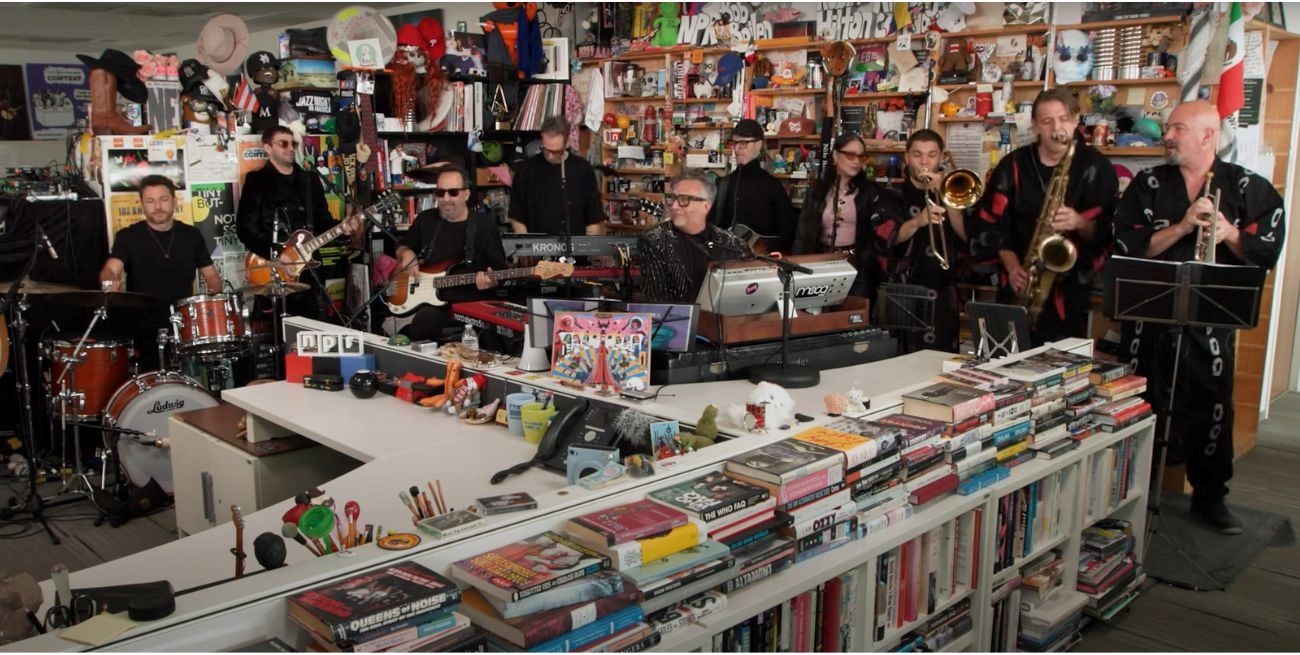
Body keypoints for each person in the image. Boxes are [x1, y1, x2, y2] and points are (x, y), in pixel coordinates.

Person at [1114, 101, 1286, 535]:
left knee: (1211, 404)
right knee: (1140, 400)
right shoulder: (1148, 183)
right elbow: (1127, 246)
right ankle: (1128, 490)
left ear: (1208, 135)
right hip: (1149, 318)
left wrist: (1228, 233)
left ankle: (1210, 496)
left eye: (1178, 128)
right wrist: (1183, 226)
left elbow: (1266, 251)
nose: (1167, 135)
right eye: (1168, 126)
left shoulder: (1249, 187)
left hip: (1211, 324)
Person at [971, 89, 1117, 344]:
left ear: (1075, 120)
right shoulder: (1012, 165)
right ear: (1035, 125)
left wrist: (1079, 222)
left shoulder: (1097, 167)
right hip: (1018, 282)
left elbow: (1110, 230)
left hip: (1070, 290)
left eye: (1063, 119)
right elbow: (992, 224)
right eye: (1047, 121)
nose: (1056, 129)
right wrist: (1012, 266)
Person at [99, 175, 221, 368]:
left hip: (181, 322)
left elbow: (212, 277)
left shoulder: (191, 235)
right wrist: (110, 280)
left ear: (174, 200)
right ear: (142, 204)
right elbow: (110, 269)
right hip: (142, 323)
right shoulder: (128, 236)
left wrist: (214, 298)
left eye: (163, 199)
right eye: (150, 201)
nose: (158, 206)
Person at [236, 126, 355, 322]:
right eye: (283, 143)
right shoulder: (257, 181)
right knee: (278, 329)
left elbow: (322, 221)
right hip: (274, 269)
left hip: (310, 270)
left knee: (313, 328)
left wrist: (343, 229)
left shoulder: (309, 179)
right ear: (267, 148)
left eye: (293, 144)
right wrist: (278, 253)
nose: (290, 148)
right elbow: (245, 229)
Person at [395, 165, 509, 341]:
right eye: (441, 193)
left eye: (453, 192)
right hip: (435, 304)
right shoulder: (426, 219)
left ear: (466, 194)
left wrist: (491, 281)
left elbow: (500, 271)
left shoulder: (484, 225)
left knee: (490, 339)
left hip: (473, 302)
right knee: (421, 326)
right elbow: (402, 247)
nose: (446, 199)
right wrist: (406, 253)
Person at [792, 133, 903, 303]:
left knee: (853, 316)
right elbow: (803, 233)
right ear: (836, 155)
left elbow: (882, 234)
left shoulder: (870, 192)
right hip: (821, 263)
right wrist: (796, 269)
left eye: (861, 156)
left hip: (859, 268)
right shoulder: (818, 191)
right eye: (850, 155)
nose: (856, 161)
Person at [887, 129, 967, 353]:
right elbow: (889, 238)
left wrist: (947, 194)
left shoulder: (954, 189)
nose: (924, 161)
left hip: (943, 293)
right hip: (906, 291)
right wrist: (917, 221)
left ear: (941, 157)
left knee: (942, 364)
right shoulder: (893, 194)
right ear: (907, 157)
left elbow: (965, 235)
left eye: (932, 155)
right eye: (917, 154)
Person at [637, 172, 746, 303]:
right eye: (671, 198)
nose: (675, 206)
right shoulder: (654, 241)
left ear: (706, 205)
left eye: (684, 199)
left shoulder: (733, 244)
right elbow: (657, 303)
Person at [508, 116, 605, 238]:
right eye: (545, 149)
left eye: (555, 151)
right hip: (538, 249)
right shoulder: (526, 170)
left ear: (567, 142)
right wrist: (525, 245)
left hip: (576, 250)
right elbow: (516, 215)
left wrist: (593, 243)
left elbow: (594, 216)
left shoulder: (583, 169)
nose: (550, 156)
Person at [709, 119, 797, 252]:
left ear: (759, 144)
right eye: (735, 143)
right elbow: (712, 226)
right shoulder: (724, 183)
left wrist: (766, 248)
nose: (737, 148)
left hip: (764, 263)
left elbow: (787, 232)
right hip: (728, 262)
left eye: (743, 143)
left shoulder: (772, 186)